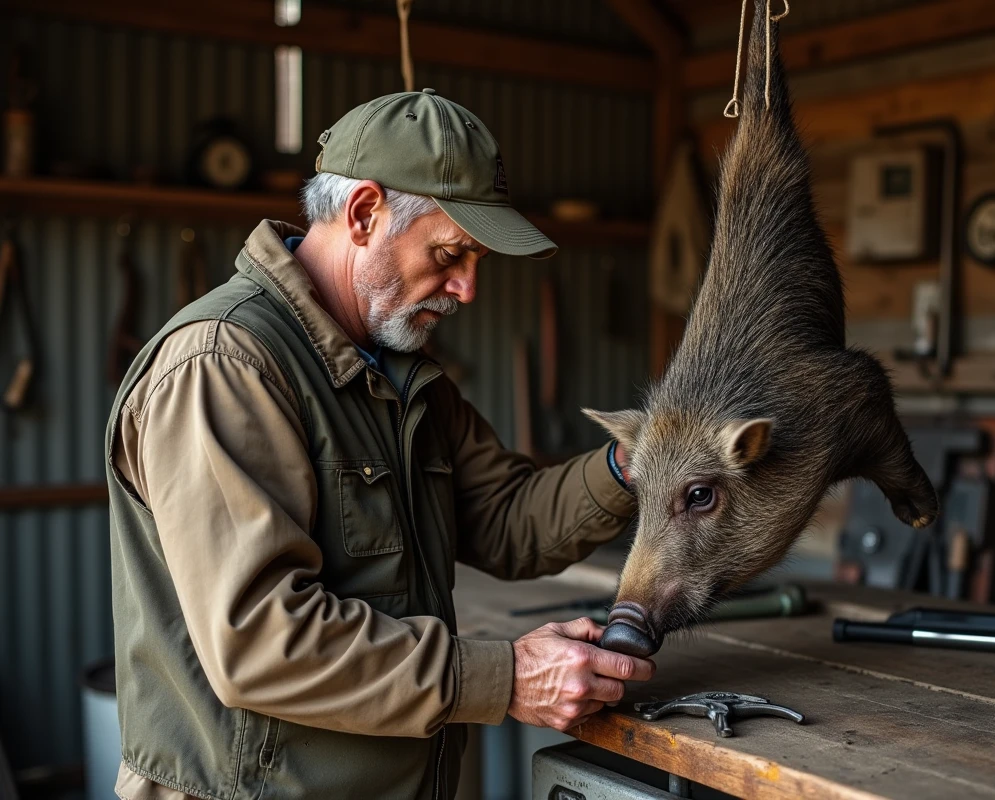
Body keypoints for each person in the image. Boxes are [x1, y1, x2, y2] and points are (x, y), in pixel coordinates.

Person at [106, 90, 653, 800]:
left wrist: (635, 464)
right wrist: (505, 678)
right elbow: (263, 642)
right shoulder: (225, 364)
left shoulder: (402, 375)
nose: (467, 288)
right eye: (451, 253)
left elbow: (508, 518)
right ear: (364, 214)